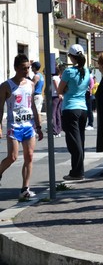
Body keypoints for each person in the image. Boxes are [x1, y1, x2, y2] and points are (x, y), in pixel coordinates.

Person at [0, 54, 44, 200]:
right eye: (23, 69)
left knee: (29, 156)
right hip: (14, 126)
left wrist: (38, 125)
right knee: (12, 157)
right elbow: (0, 108)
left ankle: (25, 189)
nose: (27, 71)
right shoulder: (6, 86)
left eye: (28, 68)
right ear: (16, 68)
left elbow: (32, 105)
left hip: (29, 126)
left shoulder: (30, 84)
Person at [58, 44, 91, 181]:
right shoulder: (87, 71)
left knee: (73, 142)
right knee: (80, 140)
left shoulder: (68, 72)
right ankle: (79, 170)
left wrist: (66, 90)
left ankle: (77, 172)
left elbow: (60, 90)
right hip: (83, 108)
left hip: (70, 108)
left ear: (71, 57)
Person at [51, 63, 66, 137]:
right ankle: (59, 130)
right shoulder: (59, 78)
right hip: (59, 96)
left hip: (55, 96)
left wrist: (58, 92)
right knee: (57, 113)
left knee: (53, 113)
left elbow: (56, 86)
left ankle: (55, 130)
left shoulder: (54, 78)